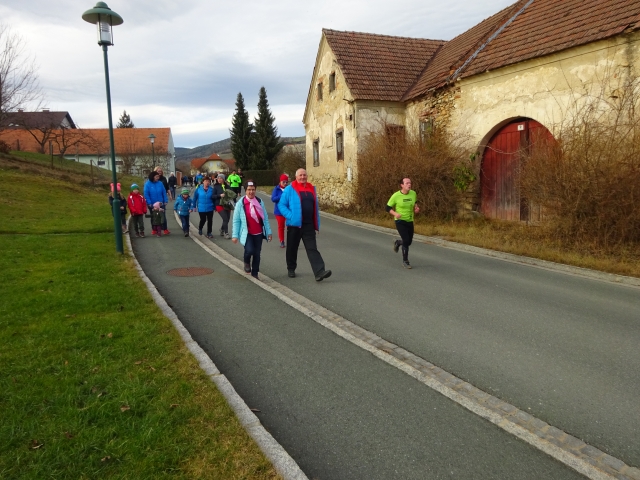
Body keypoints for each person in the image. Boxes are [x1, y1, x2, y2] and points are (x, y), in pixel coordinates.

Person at [278, 168, 331, 281]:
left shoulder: (311, 188)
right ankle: (291, 269)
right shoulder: (290, 189)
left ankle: (319, 272)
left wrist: (316, 223)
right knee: (292, 248)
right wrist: (291, 216)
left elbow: (314, 207)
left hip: (308, 225)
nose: (303, 177)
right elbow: (281, 205)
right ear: (296, 177)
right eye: (300, 175)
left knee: (312, 248)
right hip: (294, 225)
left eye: (304, 175)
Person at [232, 180, 272, 279]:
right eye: (249, 190)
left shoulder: (259, 202)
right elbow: (236, 221)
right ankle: (246, 262)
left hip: (258, 232)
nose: (251, 192)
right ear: (245, 190)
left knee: (257, 254)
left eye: (253, 189)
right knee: (249, 250)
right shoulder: (241, 203)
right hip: (247, 233)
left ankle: (255, 273)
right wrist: (235, 235)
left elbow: (265, 218)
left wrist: (269, 232)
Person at [386, 177, 420, 269]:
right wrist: (395, 214)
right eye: (407, 183)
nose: (409, 184)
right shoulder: (396, 196)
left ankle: (398, 242)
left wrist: (416, 208)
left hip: (410, 220)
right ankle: (405, 261)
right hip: (400, 221)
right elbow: (387, 208)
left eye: (410, 183)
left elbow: (415, 203)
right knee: (406, 239)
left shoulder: (413, 193)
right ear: (402, 185)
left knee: (409, 242)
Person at [213, 173, 234, 238]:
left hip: (227, 205)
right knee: (225, 218)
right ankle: (226, 233)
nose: (219, 179)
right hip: (219, 204)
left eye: (221, 178)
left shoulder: (228, 186)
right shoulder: (216, 187)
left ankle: (222, 229)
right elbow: (213, 196)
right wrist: (220, 195)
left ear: (224, 179)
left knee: (227, 219)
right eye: (218, 178)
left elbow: (232, 194)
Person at [271, 174, 289, 247]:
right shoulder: (276, 189)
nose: (285, 183)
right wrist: (281, 195)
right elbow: (273, 199)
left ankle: (291, 241)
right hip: (279, 211)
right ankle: (282, 241)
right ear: (280, 181)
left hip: (288, 211)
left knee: (290, 227)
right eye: (283, 182)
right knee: (281, 227)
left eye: (286, 182)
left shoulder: (289, 189)